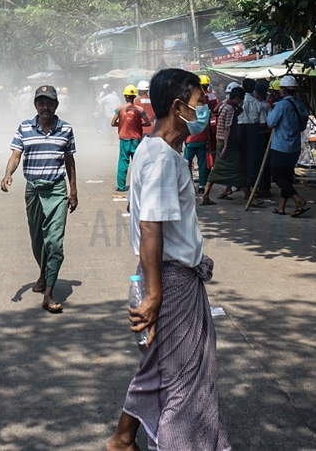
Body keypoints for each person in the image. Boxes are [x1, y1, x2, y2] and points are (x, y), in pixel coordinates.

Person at [106, 69, 230, 451]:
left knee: (161, 367)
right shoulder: (160, 157)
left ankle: (123, 439)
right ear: (178, 107)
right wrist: (155, 296)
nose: (204, 108)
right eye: (198, 103)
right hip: (171, 281)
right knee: (184, 382)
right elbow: (150, 229)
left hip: (173, 277)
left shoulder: (159, 152)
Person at [2, 84, 78, 314]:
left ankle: (48, 294)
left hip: (56, 189)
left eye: (50, 102)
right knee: (37, 240)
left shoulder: (66, 129)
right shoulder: (25, 127)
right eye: (41, 102)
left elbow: (70, 161)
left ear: (56, 105)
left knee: (54, 242)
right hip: (33, 190)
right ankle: (44, 274)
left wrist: (73, 191)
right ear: (35, 105)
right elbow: (16, 155)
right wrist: (8, 174)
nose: (45, 106)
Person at [266, 75, 310, 216]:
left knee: (277, 176)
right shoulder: (300, 106)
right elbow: (302, 127)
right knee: (287, 176)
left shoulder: (282, 106)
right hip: (294, 147)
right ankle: (281, 206)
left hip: (280, 147)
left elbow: (270, 123)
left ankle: (298, 199)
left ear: (284, 90)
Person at [199, 86, 248, 205]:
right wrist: (226, 147)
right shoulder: (230, 109)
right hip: (228, 143)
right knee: (239, 168)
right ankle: (249, 197)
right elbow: (228, 128)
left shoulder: (224, 106)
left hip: (220, 141)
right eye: (240, 100)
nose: (241, 102)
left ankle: (206, 196)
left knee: (217, 169)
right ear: (237, 98)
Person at [111, 85, 151, 192]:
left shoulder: (119, 109)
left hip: (124, 139)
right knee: (138, 163)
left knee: (123, 163)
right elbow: (147, 123)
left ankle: (121, 186)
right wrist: (138, 124)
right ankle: (140, 185)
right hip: (136, 140)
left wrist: (121, 125)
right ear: (134, 96)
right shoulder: (139, 109)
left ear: (125, 96)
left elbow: (112, 123)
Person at [237, 78, 266, 194]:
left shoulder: (239, 101)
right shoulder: (257, 103)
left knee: (239, 158)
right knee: (253, 159)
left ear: (243, 88)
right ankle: (252, 185)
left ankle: (240, 185)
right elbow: (263, 123)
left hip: (239, 130)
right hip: (254, 132)